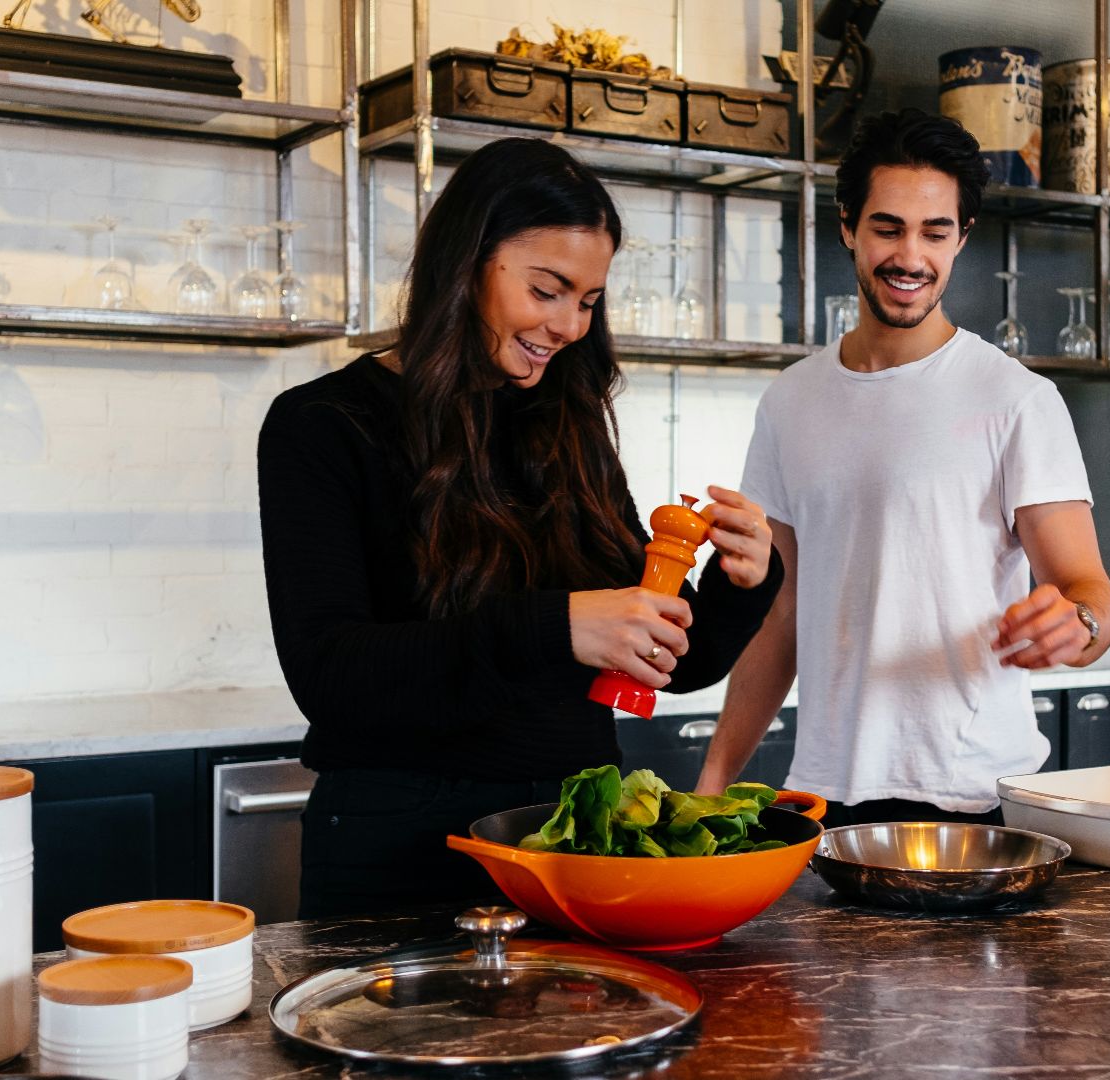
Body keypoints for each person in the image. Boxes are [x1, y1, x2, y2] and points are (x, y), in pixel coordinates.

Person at [258, 137, 784, 917]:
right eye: (548, 289)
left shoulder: (569, 425)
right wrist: (556, 628)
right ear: (467, 260)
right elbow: (331, 677)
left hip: (573, 846)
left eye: (589, 300)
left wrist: (741, 582)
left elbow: (663, 664)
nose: (570, 325)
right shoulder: (323, 425)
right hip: (398, 859)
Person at [695, 108, 1110, 826]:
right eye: (888, 228)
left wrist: (1075, 625)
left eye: (935, 232)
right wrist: (711, 782)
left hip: (976, 797)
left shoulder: (1017, 399)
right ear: (847, 227)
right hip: (825, 797)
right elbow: (781, 614)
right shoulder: (791, 401)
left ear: (962, 238)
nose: (910, 256)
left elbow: (1090, 597)